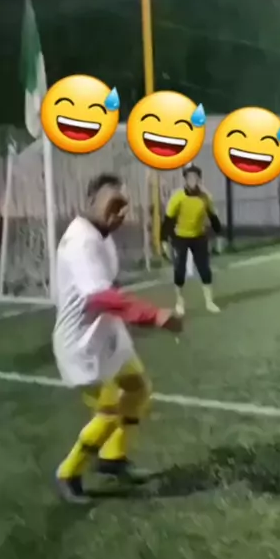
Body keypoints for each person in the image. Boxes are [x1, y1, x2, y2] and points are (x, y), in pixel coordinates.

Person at [53, 172, 182, 504]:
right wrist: (153, 315)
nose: (121, 212)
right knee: (110, 411)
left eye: (125, 205)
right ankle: (68, 473)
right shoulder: (81, 241)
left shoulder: (100, 235)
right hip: (83, 345)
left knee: (138, 389)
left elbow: (108, 288)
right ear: (90, 201)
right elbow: (100, 297)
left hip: (107, 332)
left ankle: (112, 458)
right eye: (115, 203)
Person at [162, 164, 222, 316]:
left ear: (199, 180)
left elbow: (213, 218)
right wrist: (164, 240)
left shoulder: (205, 198)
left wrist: (219, 236)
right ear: (185, 180)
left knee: (204, 269)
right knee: (180, 270)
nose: (193, 180)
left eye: (195, 177)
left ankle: (209, 301)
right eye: (190, 178)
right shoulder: (178, 197)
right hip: (180, 237)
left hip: (199, 236)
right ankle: (179, 302)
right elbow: (168, 220)